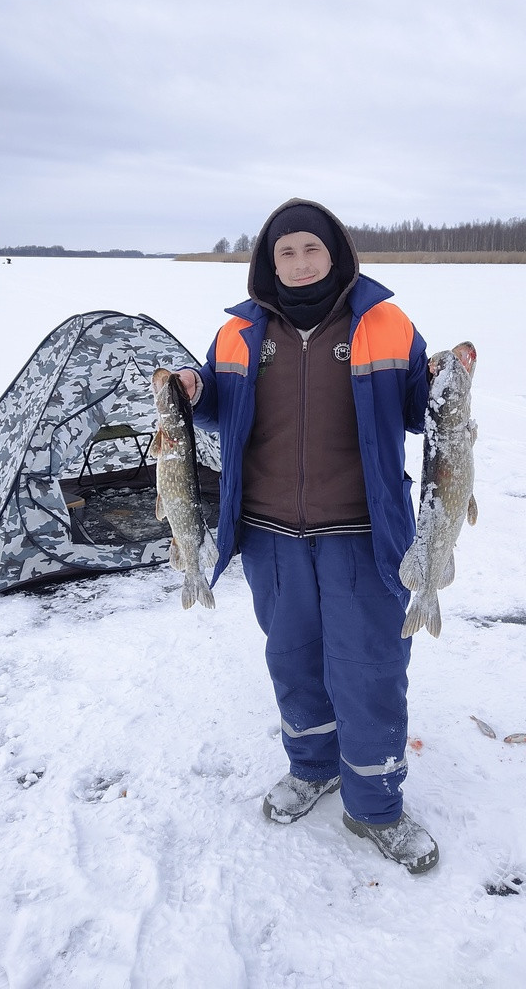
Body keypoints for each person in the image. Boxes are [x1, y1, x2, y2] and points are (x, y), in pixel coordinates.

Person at [177, 197, 438, 874]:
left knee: (369, 667)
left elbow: (418, 414)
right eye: (284, 251)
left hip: (362, 531)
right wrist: (192, 392)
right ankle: (312, 766)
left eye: (310, 250)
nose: (298, 263)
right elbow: (217, 413)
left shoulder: (384, 323)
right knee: (292, 658)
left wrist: (437, 381)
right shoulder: (237, 336)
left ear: (336, 254)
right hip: (268, 532)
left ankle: (376, 803)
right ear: (268, 260)